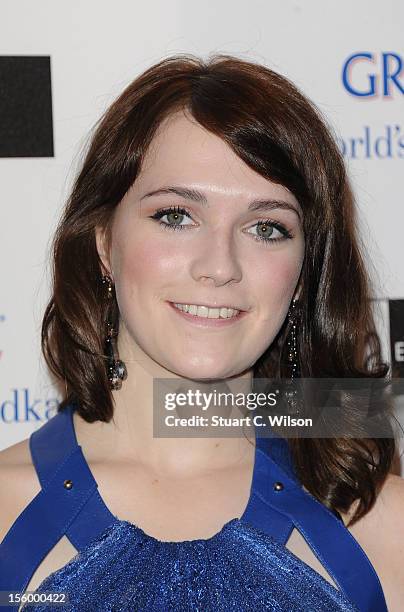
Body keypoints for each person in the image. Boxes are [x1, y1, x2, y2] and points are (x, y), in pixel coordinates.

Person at [0, 53, 403, 612]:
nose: (220, 265)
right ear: (101, 244)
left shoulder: (387, 529)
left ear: (305, 274)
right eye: (175, 216)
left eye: (267, 227)